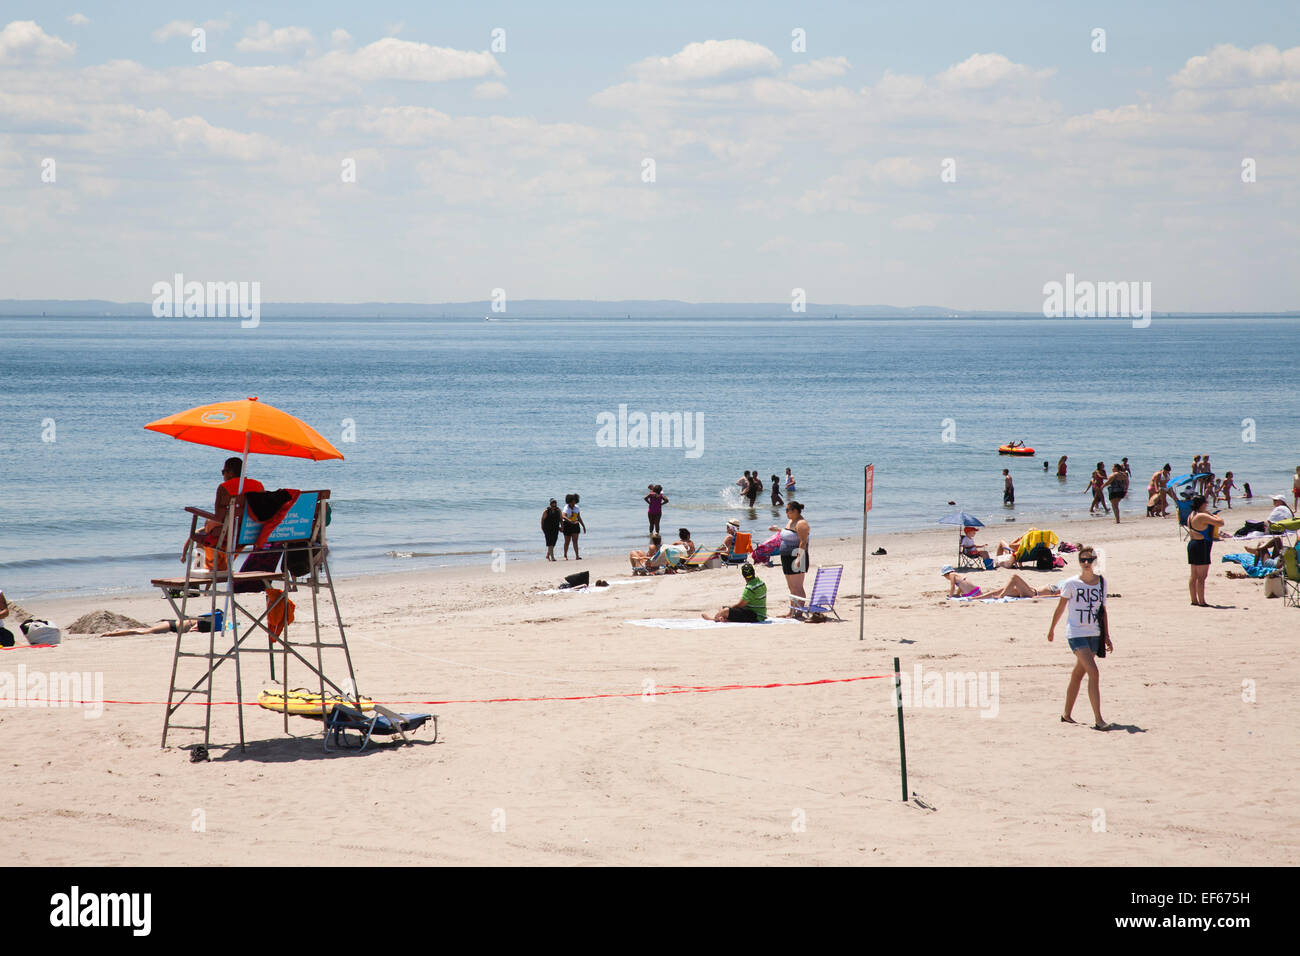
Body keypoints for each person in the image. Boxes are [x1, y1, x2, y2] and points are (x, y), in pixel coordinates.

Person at [1047, 545, 1113, 730]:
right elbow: (1060, 608)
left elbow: (1103, 610)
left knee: (1078, 674)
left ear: (1095, 561)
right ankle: (1099, 719)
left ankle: (1066, 715)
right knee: (1094, 672)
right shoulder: (1071, 583)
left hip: (1094, 634)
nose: (1085, 563)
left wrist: (1106, 635)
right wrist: (1052, 629)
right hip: (1076, 634)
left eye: (1089, 560)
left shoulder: (1101, 582)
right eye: (1082, 560)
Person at [771, 501, 810, 609]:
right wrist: (778, 529)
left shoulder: (801, 523)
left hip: (796, 557)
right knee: (791, 587)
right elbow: (790, 533)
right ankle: (792, 610)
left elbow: (803, 542)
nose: (786, 512)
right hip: (787, 556)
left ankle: (799, 611)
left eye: (788, 510)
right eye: (786, 510)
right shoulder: (791, 521)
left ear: (795, 511)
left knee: (797, 587)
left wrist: (798, 559)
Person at [1186, 495, 1224, 607]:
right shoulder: (1202, 515)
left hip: (1192, 544)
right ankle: (1202, 601)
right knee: (1202, 576)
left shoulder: (1191, 515)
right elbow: (1220, 523)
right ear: (1202, 504)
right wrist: (1211, 514)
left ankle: (1194, 600)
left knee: (1193, 575)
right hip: (1201, 545)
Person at [702, 562, 767, 622]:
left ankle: (713, 619)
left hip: (755, 616)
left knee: (725, 610)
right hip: (759, 613)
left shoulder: (750, 588)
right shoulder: (761, 583)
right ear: (753, 573)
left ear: (743, 576)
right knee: (722, 608)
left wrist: (728, 609)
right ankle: (725, 618)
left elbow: (740, 605)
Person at [943, 567, 1060, 600]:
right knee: (1000, 590)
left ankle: (1002, 596)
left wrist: (1039, 597)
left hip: (1032, 593)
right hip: (1026, 592)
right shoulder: (956, 575)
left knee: (1014, 577)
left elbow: (1055, 595)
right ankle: (978, 597)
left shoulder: (1057, 591)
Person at [562, 493, 586, 560]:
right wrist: (569, 520)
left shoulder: (577, 507)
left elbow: (578, 517)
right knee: (567, 541)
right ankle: (565, 556)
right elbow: (563, 516)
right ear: (569, 501)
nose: (573, 502)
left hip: (575, 525)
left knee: (575, 541)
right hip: (567, 525)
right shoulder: (566, 507)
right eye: (572, 501)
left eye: (574, 501)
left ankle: (577, 556)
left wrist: (583, 526)